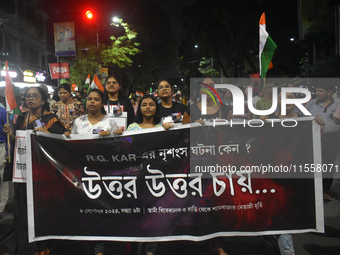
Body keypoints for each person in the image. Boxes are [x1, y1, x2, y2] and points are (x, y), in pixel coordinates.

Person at [3, 86, 66, 255]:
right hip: (24, 175)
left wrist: (48, 133)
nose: (30, 99)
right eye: (28, 96)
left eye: (35, 96)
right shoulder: (23, 118)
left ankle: (42, 247)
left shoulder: (51, 120)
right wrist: (11, 135)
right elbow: (20, 144)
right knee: (21, 210)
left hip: (43, 177)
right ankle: (17, 246)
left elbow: (65, 140)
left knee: (40, 211)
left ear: (43, 100)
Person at [305, 83, 340, 201]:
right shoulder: (311, 104)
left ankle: (325, 190)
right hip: (315, 138)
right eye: (317, 91)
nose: (317, 93)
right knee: (315, 164)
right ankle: (314, 190)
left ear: (329, 92)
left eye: (321, 91)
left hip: (332, 139)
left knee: (328, 164)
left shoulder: (337, 103)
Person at [0, 107, 8, 219]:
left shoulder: (2, 111)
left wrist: (8, 149)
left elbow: (7, 129)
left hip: (1, 145)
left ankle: (1, 206)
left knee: (3, 176)